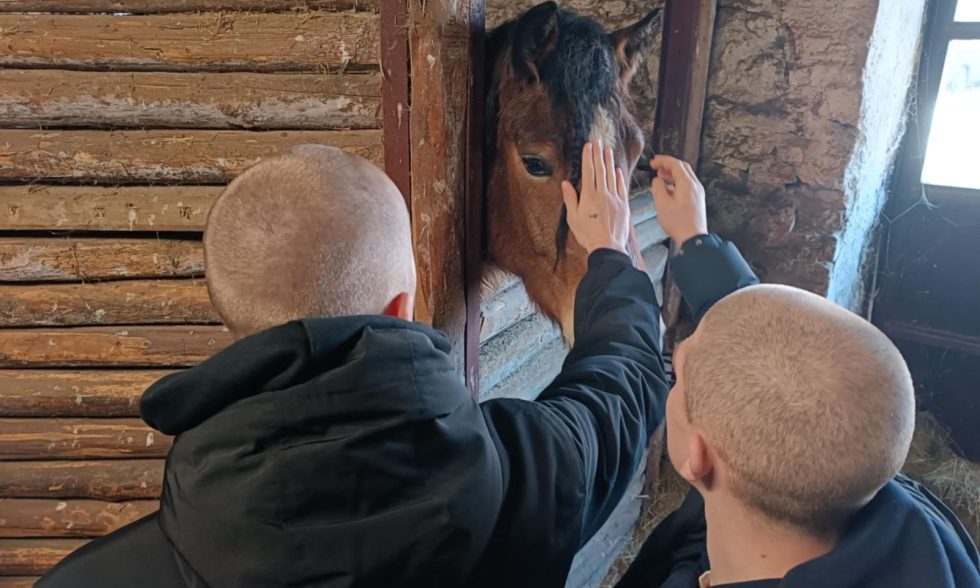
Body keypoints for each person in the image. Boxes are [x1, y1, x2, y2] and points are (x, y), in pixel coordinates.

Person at [37, 140, 747, 588]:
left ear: (233, 317)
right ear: (403, 304)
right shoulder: (524, 478)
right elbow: (618, 388)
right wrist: (612, 258)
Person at [614, 157, 980, 588]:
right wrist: (696, 240)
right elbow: (771, 349)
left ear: (700, 456)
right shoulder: (912, 525)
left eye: (678, 373)